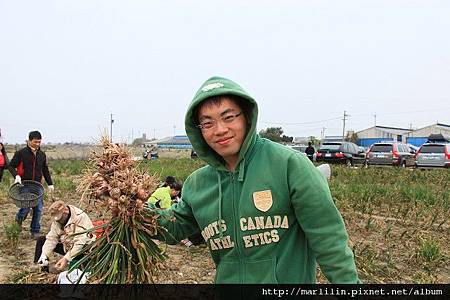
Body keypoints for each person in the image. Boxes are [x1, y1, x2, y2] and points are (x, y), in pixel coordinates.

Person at [155, 76, 360, 283]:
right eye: (208, 123)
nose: (220, 130)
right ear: (199, 130)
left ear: (246, 117)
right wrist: (130, 211)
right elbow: (173, 226)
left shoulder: (289, 165)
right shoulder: (197, 184)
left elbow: (328, 240)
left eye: (228, 117)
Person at [8, 131, 54, 239]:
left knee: (38, 208)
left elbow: (45, 169)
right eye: (35, 142)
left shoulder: (42, 155)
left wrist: (50, 183)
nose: (37, 144)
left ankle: (35, 230)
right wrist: (16, 176)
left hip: (37, 185)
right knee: (25, 208)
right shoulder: (21, 153)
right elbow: (11, 166)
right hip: (24, 185)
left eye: (39, 142)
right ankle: (18, 222)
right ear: (29, 141)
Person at [35, 200, 95, 273]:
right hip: (67, 246)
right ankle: (42, 268)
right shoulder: (57, 220)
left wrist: (66, 259)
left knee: (79, 271)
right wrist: (44, 254)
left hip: (83, 249)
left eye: (59, 218)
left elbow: (80, 243)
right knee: (41, 240)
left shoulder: (79, 217)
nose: (58, 221)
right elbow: (51, 238)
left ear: (65, 211)